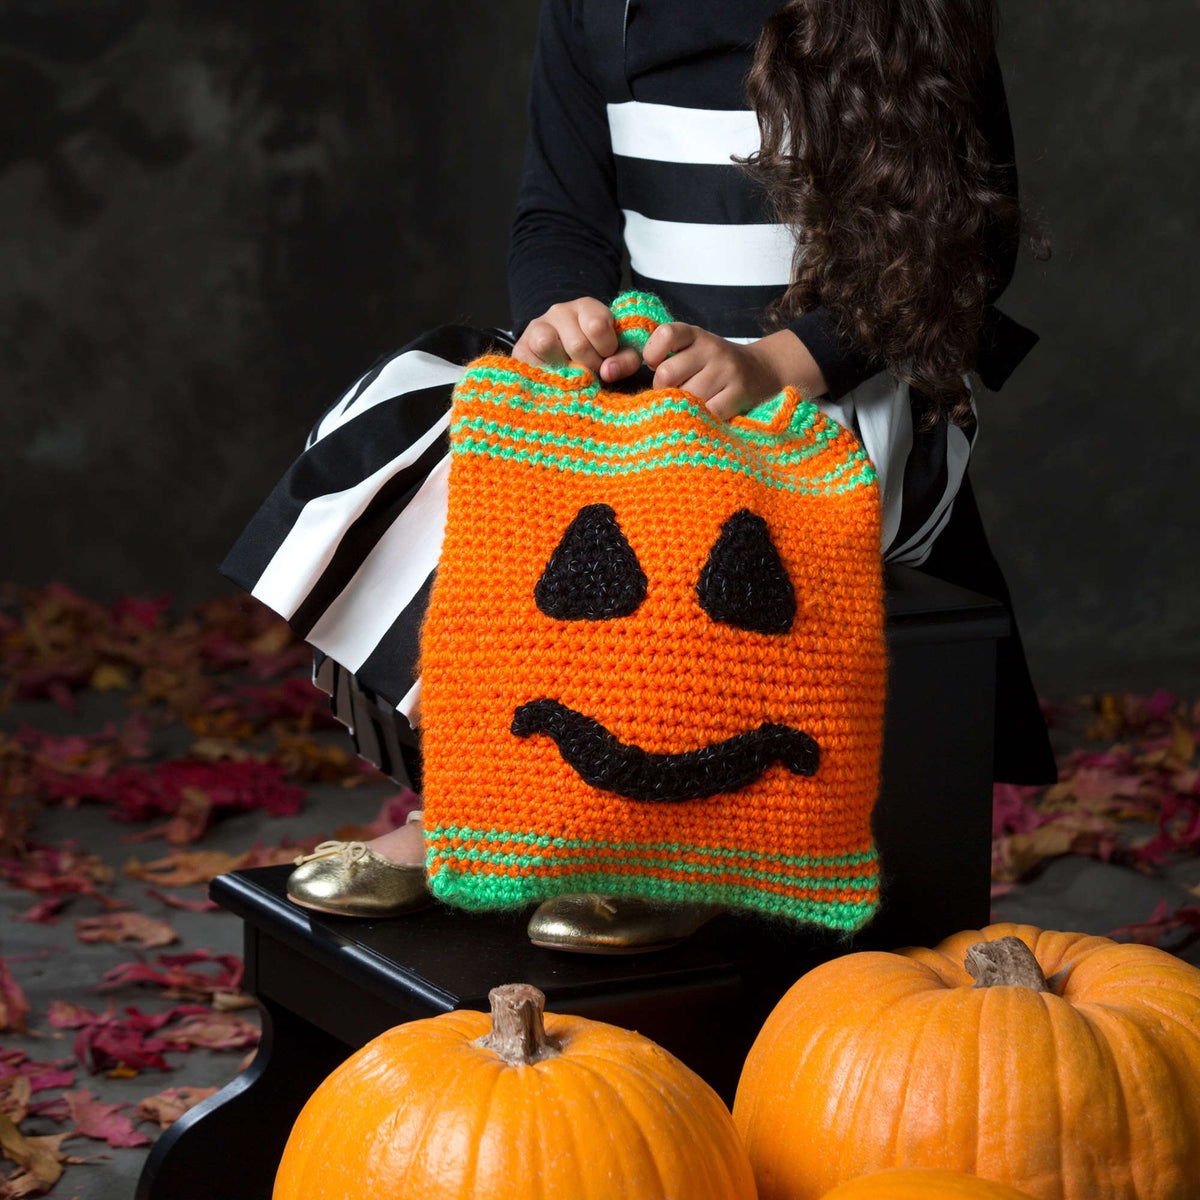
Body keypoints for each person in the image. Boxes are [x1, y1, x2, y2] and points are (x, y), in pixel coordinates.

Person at [221, 0, 1055, 944]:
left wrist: (776, 363)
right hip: (654, 370)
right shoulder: (596, 12)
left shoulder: (908, 15)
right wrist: (565, 319)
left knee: (685, 531)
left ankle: (669, 838)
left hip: (836, 396)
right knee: (425, 442)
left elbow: (966, 249)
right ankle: (469, 808)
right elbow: (558, 217)